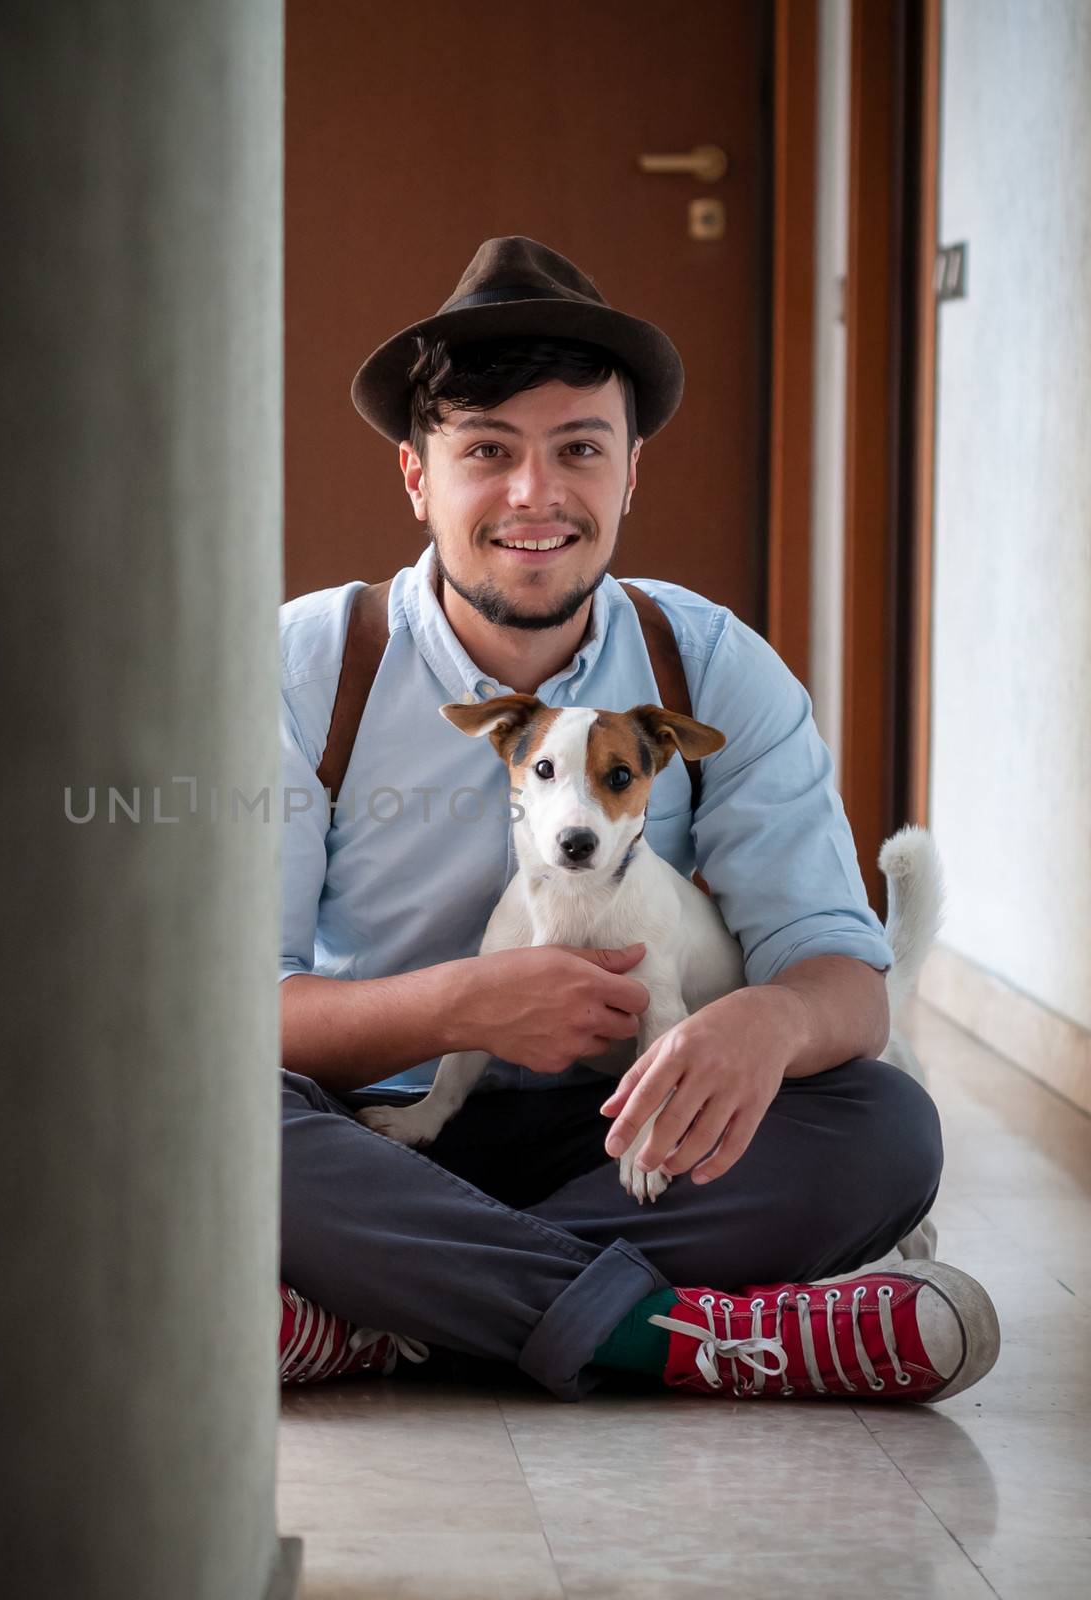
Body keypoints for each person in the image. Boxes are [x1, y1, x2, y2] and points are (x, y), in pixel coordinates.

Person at [277, 237, 998, 1402]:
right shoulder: (306, 667)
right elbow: (233, 1017)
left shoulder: (712, 666)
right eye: (486, 452)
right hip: (385, 1127)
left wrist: (761, 1024)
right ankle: (671, 1332)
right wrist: (464, 1004)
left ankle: (380, 1313)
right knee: (218, 1127)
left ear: (629, 473)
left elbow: (841, 978)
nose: (535, 495)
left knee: (881, 1128)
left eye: (578, 450)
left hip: (635, 1144)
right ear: (417, 475)